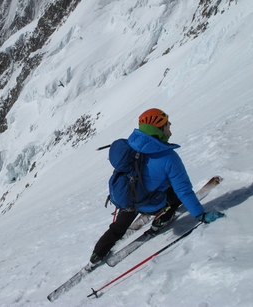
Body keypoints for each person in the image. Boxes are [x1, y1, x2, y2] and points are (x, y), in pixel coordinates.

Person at [89, 108, 225, 267]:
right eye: (167, 125)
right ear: (158, 129)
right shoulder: (169, 157)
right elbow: (184, 191)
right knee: (175, 195)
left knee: (117, 229)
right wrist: (201, 216)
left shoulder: (131, 144)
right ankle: (161, 221)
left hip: (128, 199)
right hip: (150, 203)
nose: (170, 129)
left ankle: (97, 254)